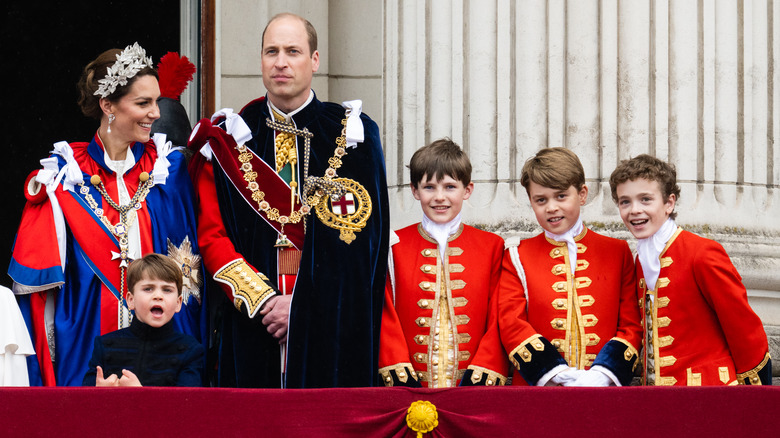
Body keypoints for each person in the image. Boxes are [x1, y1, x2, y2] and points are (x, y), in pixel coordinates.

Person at [188, 13, 389, 388]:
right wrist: (265, 302)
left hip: (331, 323)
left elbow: (364, 246)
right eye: (272, 51)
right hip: (253, 322)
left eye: (293, 51)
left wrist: (302, 308)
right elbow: (212, 237)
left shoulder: (355, 135)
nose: (280, 62)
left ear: (314, 60)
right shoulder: (229, 138)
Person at [9, 43, 206, 386]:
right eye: (143, 103)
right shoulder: (64, 174)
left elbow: (186, 269)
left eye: (156, 102)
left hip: (158, 346)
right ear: (108, 105)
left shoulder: (165, 169)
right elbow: (42, 288)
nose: (156, 113)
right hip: (84, 336)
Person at [609, 154, 772, 386]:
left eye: (645, 199)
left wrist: (755, 396)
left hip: (711, 394)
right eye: (625, 202)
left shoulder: (702, 253)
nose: (634, 209)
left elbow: (745, 331)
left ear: (669, 203)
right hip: (660, 399)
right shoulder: (639, 260)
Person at [498, 147, 643, 386]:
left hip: (603, 391)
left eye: (561, 196)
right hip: (538, 392)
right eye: (541, 200)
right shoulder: (516, 255)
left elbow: (631, 324)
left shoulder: (617, 252)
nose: (551, 207)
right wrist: (553, 373)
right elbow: (511, 322)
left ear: (582, 194)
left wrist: (603, 374)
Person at [379, 139, 509, 388]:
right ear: (415, 190)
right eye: (429, 187)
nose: (440, 197)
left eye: (450, 187)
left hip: (472, 387)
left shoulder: (492, 246)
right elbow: (385, 314)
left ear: (467, 190)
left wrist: (484, 372)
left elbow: (497, 317)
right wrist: (397, 372)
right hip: (409, 387)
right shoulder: (392, 245)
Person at [82, 253, 204, 386]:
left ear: (178, 303)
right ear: (131, 300)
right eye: (148, 289)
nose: (158, 296)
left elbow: (189, 405)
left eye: (167, 290)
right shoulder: (104, 345)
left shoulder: (191, 350)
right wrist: (97, 394)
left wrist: (140, 394)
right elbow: (83, 401)